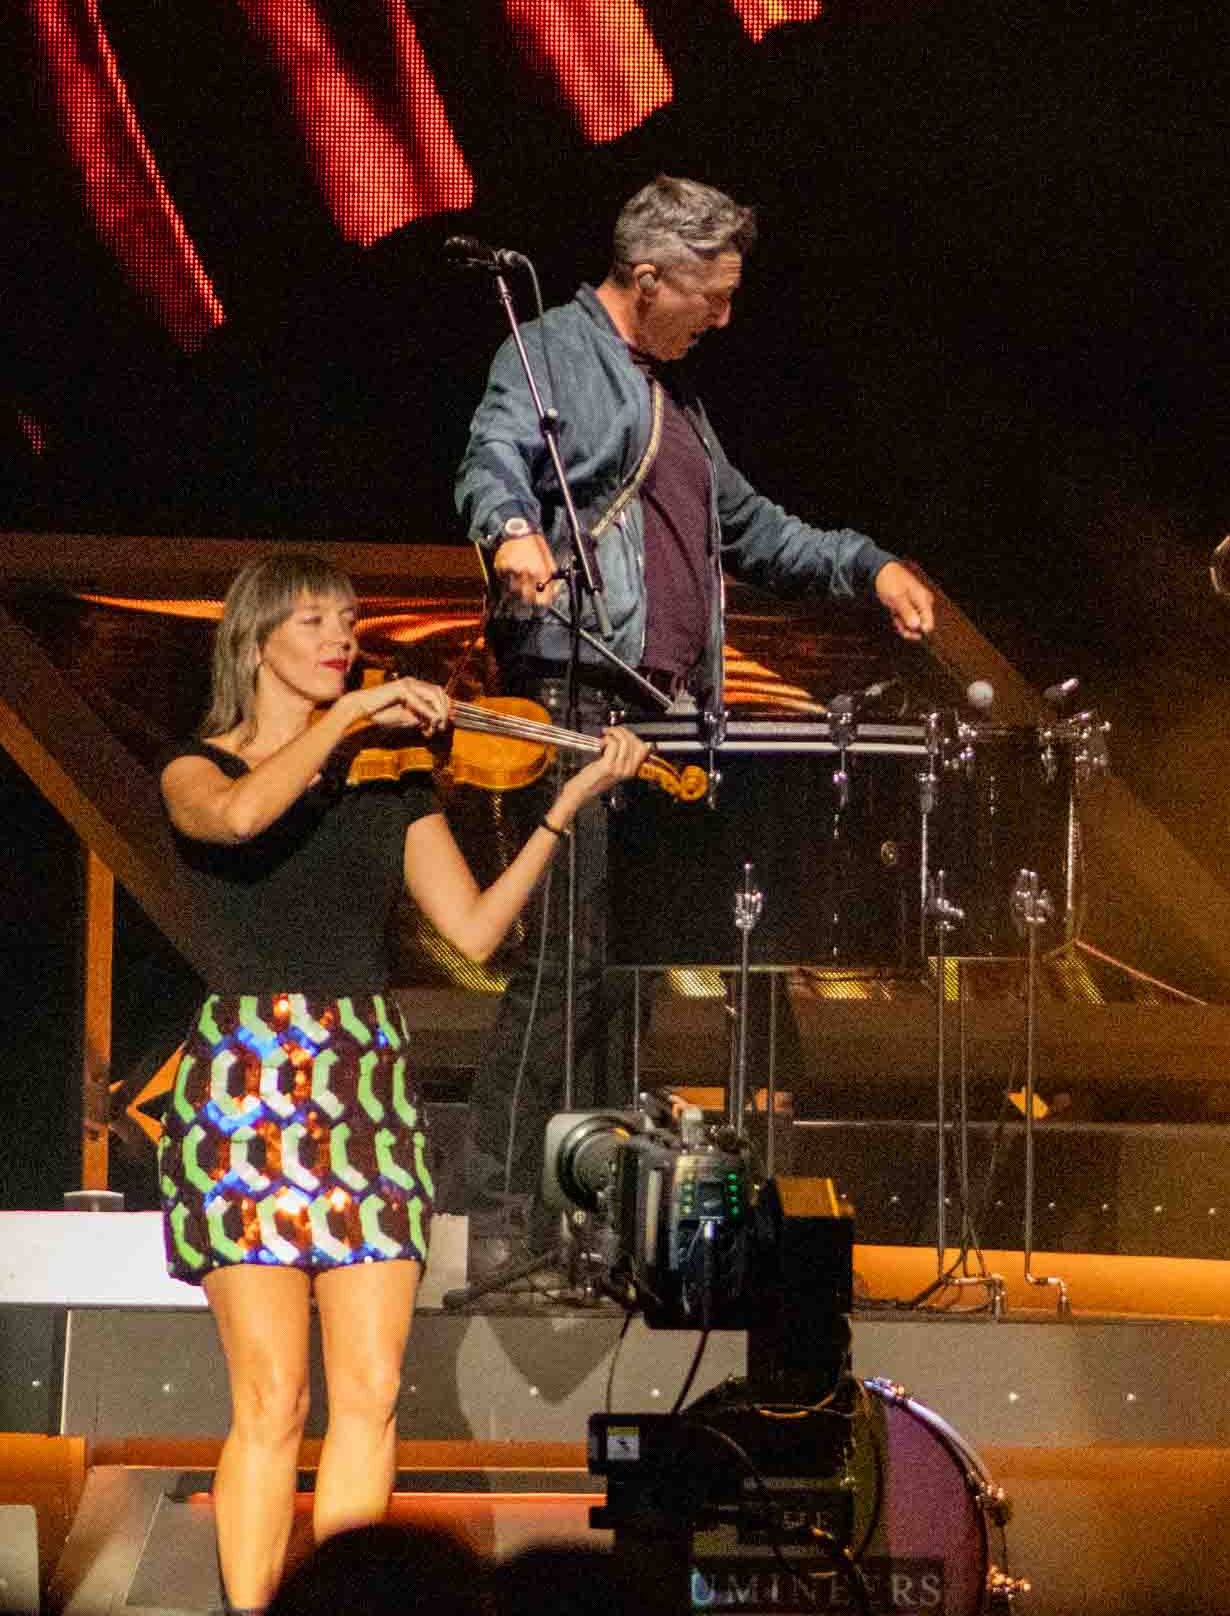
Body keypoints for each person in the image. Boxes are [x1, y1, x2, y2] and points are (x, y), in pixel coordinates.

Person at [451, 173, 936, 1274]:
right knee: (566, 966)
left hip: (657, 721)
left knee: (624, 980)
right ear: (649, 277)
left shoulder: (673, 402)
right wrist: (512, 528)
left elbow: (753, 530)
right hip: (575, 702)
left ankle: (586, 1221)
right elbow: (493, 453)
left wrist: (869, 564)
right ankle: (496, 1221)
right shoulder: (554, 351)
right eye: (711, 295)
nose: (723, 317)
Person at [160, 552, 646, 1613]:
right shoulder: (195, 768)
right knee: (272, 1397)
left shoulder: (390, 782)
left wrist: (565, 804)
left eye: (349, 621)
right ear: (255, 642)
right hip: (244, 1083)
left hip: (364, 1086)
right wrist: (349, 718)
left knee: (372, 1392)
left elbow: (474, 929)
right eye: (315, 622)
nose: (343, 638)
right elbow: (238, 819)